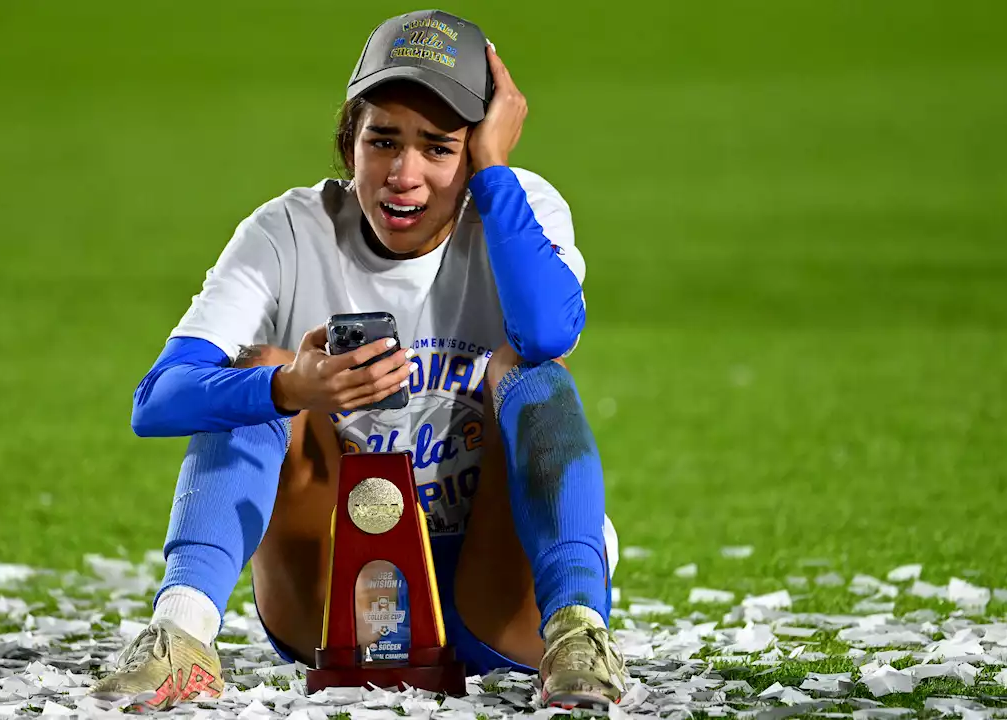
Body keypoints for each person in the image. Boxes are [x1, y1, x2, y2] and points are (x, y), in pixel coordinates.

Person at [89, 9, 627, 711]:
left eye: (440, 148)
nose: (404, 175)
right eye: (383, 141)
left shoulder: (518, 208)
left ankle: (577, 631)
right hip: (337, 597)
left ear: (475, 154)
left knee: (528, 374)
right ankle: (180, 636)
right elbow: (156, 400)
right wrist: (290, 387)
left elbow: (548, 334)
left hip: (497, 594)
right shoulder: (287, 232)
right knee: (254, 372)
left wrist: (494, 173)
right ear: (350, 143)